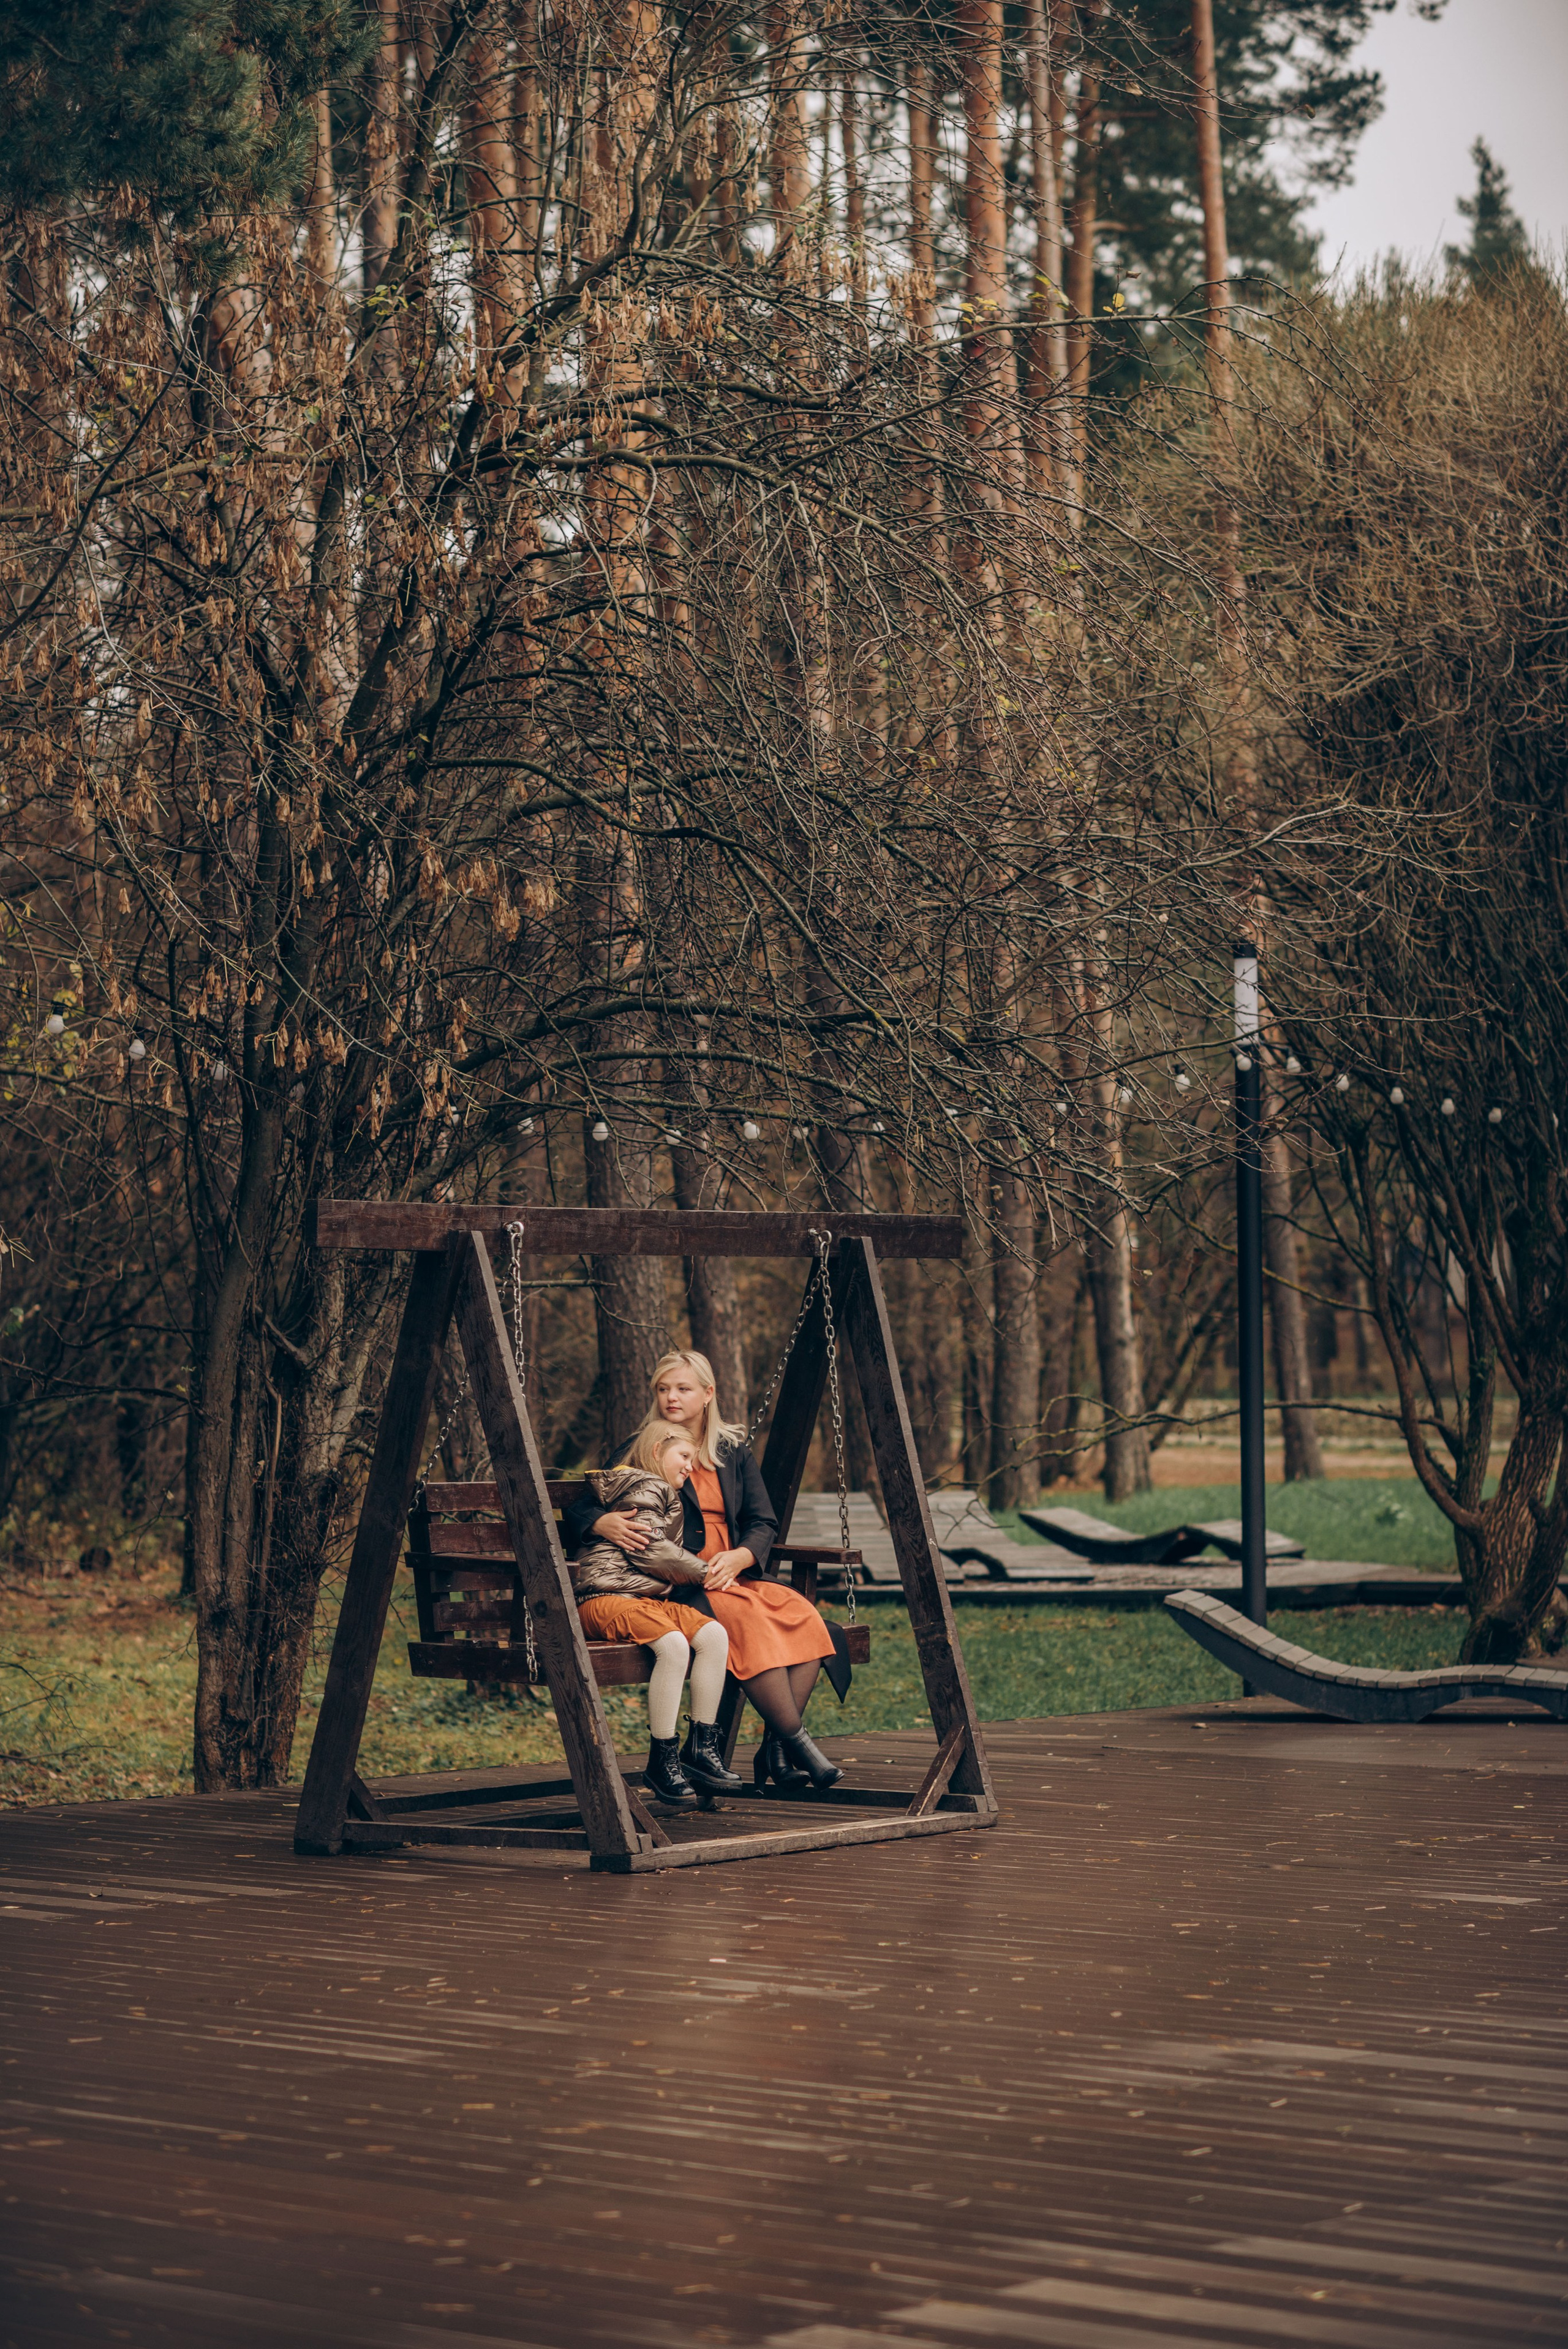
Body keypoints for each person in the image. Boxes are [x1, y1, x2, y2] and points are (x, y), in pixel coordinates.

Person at [562, 1350, 845, 1791]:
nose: (671, 1397)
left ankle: (774, 1747)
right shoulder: (646, 1445)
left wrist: (742, 1556)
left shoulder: (732, 1452)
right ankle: (799, 1744)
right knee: (749, 1625)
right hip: (684, 1581)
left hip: (734, 1572)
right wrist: (601, 1521)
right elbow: (581, 1504)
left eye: (682, 1388)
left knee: (805, 1617)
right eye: (663, 1388)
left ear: (708, 1394)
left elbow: (762, 1521)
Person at [571, 1428, 742, 1808]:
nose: (690, 1467)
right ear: (656, 1451)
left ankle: (701, 1748)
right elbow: (649, 1550)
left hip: (641, 1597)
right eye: (684, 1457)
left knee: (714, 1635)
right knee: (673, 1644)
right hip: (605, 1595)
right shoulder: (645, 1484)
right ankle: (662, 1758)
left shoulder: (662, 1490)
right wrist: (704, 1573)